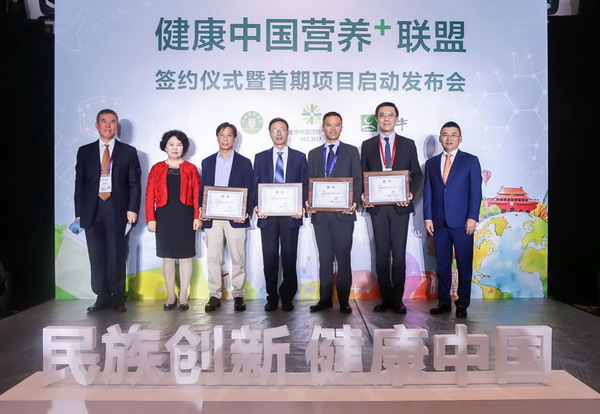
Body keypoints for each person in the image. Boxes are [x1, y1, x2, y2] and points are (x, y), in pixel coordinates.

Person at [74, 109, 141, 313]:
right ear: (97, 125)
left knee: (116, 254)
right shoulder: (84, 151)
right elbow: (80, 184)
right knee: (97, 256)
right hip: (92, 210)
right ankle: (101, 296)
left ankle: (118, 296)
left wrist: (132, 208)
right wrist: (79, 212)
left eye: (112, 122)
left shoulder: (128, 152)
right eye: (104, 121)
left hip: (117, 209)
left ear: (116, 126)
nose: (108, 125)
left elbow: (134, 184)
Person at [361, 102, 423, 314]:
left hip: (400, 207)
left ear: (397, 118)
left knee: (398, 254)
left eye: (390, 115)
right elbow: (362, 175)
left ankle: (397, 300)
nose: (386, 119)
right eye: (382, 115)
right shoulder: (367, 145)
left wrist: (410, 194)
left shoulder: (408, 144)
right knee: (381, 255)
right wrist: (364, 195)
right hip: (378, 208)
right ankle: (385, 298)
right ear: (377, 119)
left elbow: (417, 174)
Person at [423, 121, 482, 318]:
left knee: (464, 264)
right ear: (440, 138)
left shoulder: (470, 161)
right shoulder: (431, 164)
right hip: (439, 222)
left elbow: (475, 192)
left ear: (460, 138)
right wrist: (428, 217)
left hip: (463, 223)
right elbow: (428, 192)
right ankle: (443, 302)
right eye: (445, 134)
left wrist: (472, 217)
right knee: (442, 265)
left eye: (453, 134)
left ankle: (463, 303)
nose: (449, 138)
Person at [306, 112, 362, 314]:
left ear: (341, 128)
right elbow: (309, 181)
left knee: (344, 259)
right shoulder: (313, 153)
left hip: (344, 214)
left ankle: (344, 301)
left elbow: (357, 178)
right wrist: (308, 201)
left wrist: (354, 202)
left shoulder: (351, 151)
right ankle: (325, 299)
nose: (332, 128)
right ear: (323, 128)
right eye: (328, 125)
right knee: (325, 259)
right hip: (320, 215)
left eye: (336, 125)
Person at [254, 118, 308, 312]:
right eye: (275, 130)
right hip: (267, 216)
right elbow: (255, 184)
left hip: (291, 216)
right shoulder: (260, 157)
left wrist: (301, 205)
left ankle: (287, 297)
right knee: (269, 259)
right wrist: (256, 205)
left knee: (289, 257)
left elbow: (304, 184)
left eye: (282, 129)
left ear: (288, 132)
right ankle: (271, 296)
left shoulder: (299, 157)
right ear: (269, 133)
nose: (278, 133)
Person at [199, 122, 253, 312]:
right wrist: (202, 209)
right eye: (222, 134)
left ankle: (238, 294)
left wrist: (246, 212)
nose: (225, 138)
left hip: (236, 218)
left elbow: (250, 189)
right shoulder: (207, 162)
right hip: (212, 218)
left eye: (229, 135)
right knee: (213, 258)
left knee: (238, 257)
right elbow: (202, 189)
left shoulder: (244, 162)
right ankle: (214, 295)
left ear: (234, 139)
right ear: (217, 138)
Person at [146, 130, 201, 311]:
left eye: (179, 144)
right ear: (165, 147)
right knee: (168, 257)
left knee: (185, 257)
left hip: (186, 215)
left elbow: (197, 196)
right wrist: (151, 219)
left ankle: (183, 295)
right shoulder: (156, 168)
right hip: (164, 215)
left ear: (184, 147)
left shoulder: (191, 169)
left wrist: (197, 216)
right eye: (171, 144)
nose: (175, 148)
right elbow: (149, 196)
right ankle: (170, 295)